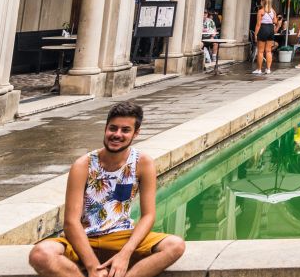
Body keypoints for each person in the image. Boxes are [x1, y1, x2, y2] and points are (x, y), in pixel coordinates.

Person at [29, 102, 184, 277]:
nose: (117, 134)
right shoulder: (83, 165)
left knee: (175, 245)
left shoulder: (143, 163)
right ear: (105, 128)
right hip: (84, 239)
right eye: (113, 128)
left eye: (125, 130)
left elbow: (148, 215)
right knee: (40, 254)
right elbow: (71, 222)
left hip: (121, 236)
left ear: (136, 133)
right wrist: (93, 267)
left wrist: (125, 253)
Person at [254, 0, 276, 76]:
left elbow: (258, 24)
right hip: (270, 29)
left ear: (262, 2)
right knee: (268, 50)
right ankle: (268, 69)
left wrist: (255, 34)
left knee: (260, 51)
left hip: (263, 28)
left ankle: (259, 69)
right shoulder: (273, 11)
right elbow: (275, 21)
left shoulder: (261, 11)